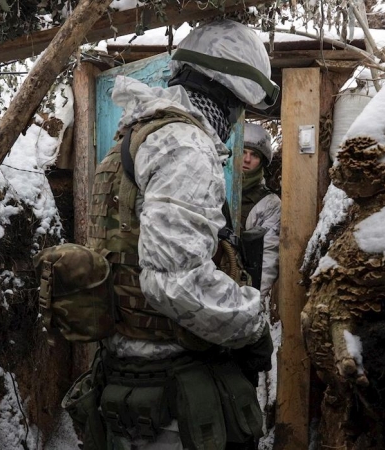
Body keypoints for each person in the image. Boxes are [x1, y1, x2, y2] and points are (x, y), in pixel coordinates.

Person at [61, 20, 280, 450]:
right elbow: (175, 282)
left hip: (128, 375)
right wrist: (252, 323)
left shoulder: (136, 133)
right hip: (170, 395)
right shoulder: (184, 145)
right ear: (229, 95)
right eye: (238, 106)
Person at [241, 123, 281, 303]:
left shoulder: (269, 203)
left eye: (254, 155)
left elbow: (267, 258)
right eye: (242, 151)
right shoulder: (214, 186)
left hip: (241, 286)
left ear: (262, 162)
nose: (246, 159)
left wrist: (253, 303)